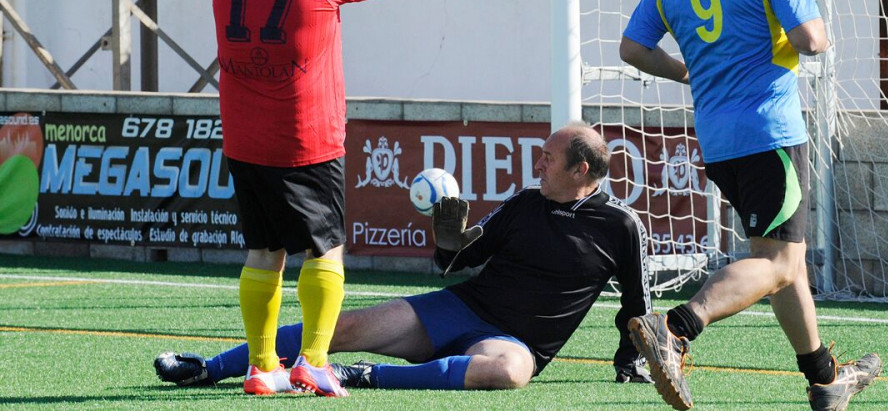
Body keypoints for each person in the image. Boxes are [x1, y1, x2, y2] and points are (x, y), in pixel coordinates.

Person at [618, 0, 880, 411]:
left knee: (785, 262)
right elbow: (812, 42)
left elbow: (633, 49)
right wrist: (812, 34)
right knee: (781, 264)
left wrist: (683, 71)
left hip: (718, 142)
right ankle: (676, 329)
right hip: (771, 134)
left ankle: (825, 378)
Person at [156, 123, 654, 391]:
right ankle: (210, 367)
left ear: (581, 169)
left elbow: (637, 304)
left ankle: (361, 376)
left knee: (507, 374)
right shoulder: (526, 203)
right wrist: (446, 236)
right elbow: (457, 263)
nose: (538, 164)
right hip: (461, 308)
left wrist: (630, 360)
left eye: (548, 158)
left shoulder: (621, 226)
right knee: (340, 327)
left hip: (517, 342)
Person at [209, 0, 395, 397]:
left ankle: (261, 366)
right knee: (326, 252)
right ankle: (313, 361)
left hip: (245, 140)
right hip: (305, 140)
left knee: (263, 251)